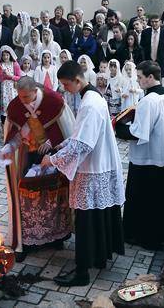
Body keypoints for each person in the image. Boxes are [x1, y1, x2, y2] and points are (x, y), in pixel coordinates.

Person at [40, 60, 125, 287]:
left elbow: (82, 146)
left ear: (78, 81)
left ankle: (81, 273)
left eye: (66, 85)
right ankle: (98, 258)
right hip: (102, 163)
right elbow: (82, 134)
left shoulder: (89, 104)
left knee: (86, 221)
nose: (65, 89)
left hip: (92, 170)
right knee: (98, 216)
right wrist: (63, 144)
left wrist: (53, 159)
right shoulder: (93, 97)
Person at [0, 76, 75, 257]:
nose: (22, 100)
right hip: (28, 154)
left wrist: (51, 142)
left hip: (53, 155)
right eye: (20, 96)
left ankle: (56, 236)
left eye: (26, 97)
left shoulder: (53, 101)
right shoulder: (16, 105)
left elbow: (67, 131)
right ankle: (28, 239)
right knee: (27, 195)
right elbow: (16, 134)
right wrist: (7, 147)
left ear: (35, 91)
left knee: (55, 195)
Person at [121, 60, 164, 250]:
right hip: (163, 157)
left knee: (143, 200)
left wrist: (118, 127)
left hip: (147, 159)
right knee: (161, 200)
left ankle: (143, 237)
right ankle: (162, 237)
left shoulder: (148, 101)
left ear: (150, 77)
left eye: (140, 77)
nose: (137, 81)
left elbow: (138, 133)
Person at [0, 46, 22, 123]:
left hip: (13, 88)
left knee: (14, 106)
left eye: (7, 55)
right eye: (3, 55)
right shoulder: (0, 66)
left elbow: (19, 77)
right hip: (4, 88)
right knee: (5, 106)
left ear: (10, 55)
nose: (5, 57)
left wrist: (10, 76)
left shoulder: (14, 64)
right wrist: (2, 75)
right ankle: (5, 125)